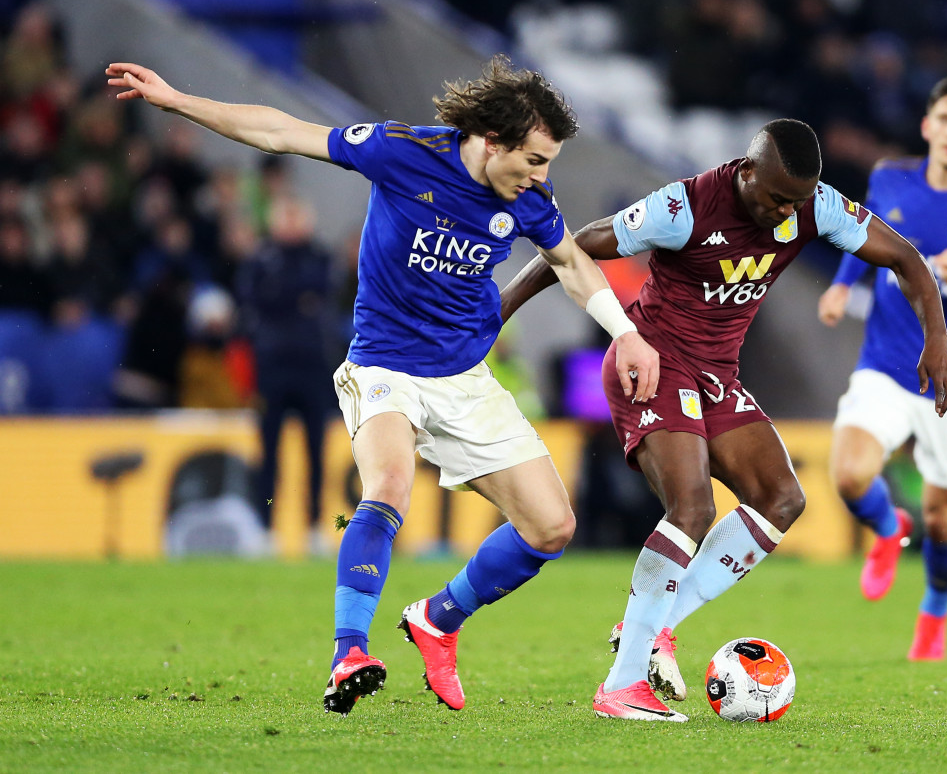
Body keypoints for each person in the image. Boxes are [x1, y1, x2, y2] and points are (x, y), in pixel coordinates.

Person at [107, 55, 660, 715]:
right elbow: (283, 132)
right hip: (385, 366)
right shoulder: (400, 153)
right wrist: (181, 100)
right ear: (491, 141)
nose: (542, 176)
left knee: (550, 526)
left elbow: (570, 263)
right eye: (535, 159)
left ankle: (438, 619)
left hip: (463, 376)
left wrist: (623, 331)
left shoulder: (529, 202)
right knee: (389, 486)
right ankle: (349, 652)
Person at [501, 118, 947, 721]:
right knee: (691, 509)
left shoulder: (813, 207)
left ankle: (657, 629)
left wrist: (938, 341)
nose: (784, 213)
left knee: (781, 498)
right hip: (653, 359)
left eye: (796, 202)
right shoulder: (686, 206)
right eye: (774, 199)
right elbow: (580, 243)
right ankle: (620, 685)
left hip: (717, 375)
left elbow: (905, 258)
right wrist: (500, 309)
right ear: (746, 173)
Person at [817, 76, 947, 662]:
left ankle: (934, 614)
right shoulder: (890, 178)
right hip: (886, 362)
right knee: (850, 475)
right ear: (928, 126)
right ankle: (887, 529)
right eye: (946, 120)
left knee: (943, 519)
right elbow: (861, 238)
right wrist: (840, 287)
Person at [237, 195, 337, 549]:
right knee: (269, 454)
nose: (293, 223)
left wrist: (281, 295)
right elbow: (255, 299)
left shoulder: (319, 256)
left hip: (311, 367)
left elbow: (320, 291)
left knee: (316, 453)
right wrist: (294, 299)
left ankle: (313, 527)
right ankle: (266, 527)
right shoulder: (261, 258)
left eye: (298, 215)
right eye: (287, 215)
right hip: (273, 367)